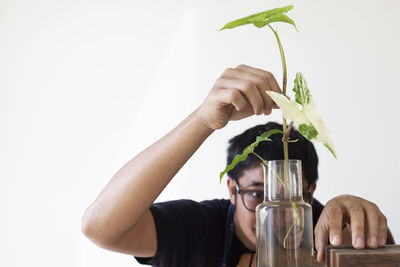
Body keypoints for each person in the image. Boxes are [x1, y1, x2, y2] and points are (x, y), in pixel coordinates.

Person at [81, 65, 393, 266]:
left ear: (310, 192)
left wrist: (358, 219)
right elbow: (100, 227)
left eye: (293, 198)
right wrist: (204, 119)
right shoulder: (201, 229)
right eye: (258, 194)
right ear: (232, 188)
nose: (277, 216)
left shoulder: (328, 231)